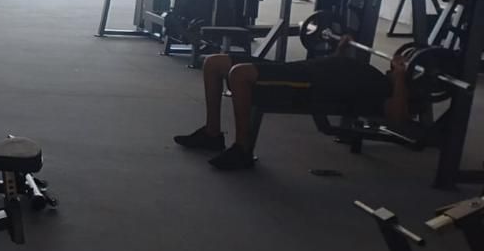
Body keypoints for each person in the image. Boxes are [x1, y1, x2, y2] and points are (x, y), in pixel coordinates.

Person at [172, 38, 410, 170]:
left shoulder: (382, 89)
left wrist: (400, 78)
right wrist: (340, 52)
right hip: (296, 68)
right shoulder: (373, 74)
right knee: (213, 62)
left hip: (307, 84)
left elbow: (397, 118)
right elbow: (337, 69)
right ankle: (212, 134)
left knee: (239, 74)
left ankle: (242, 150)